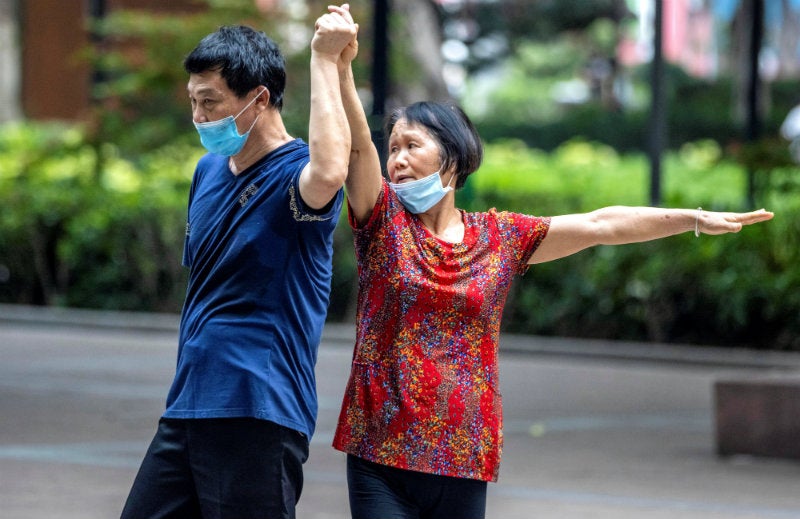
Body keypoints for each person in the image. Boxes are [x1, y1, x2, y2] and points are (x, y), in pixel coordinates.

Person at [315, 6, 775, 519]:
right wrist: (340, 65)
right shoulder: (383, 226)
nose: (395, 159)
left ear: (453, 156)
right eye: (392, 147)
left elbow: (603, 225)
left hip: (463, 453)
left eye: (410, 146)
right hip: (380, 451)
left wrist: (691, 217)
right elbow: (357, 153)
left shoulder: (501, 237)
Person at [121, 8, 357, 519]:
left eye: (211, 103)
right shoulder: (207, 171)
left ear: (259, 98)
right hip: (189, 402)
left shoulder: (297, 174)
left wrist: (324, 57)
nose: (200, 118)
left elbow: (333, 167)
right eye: (193, 102)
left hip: (258, 405)